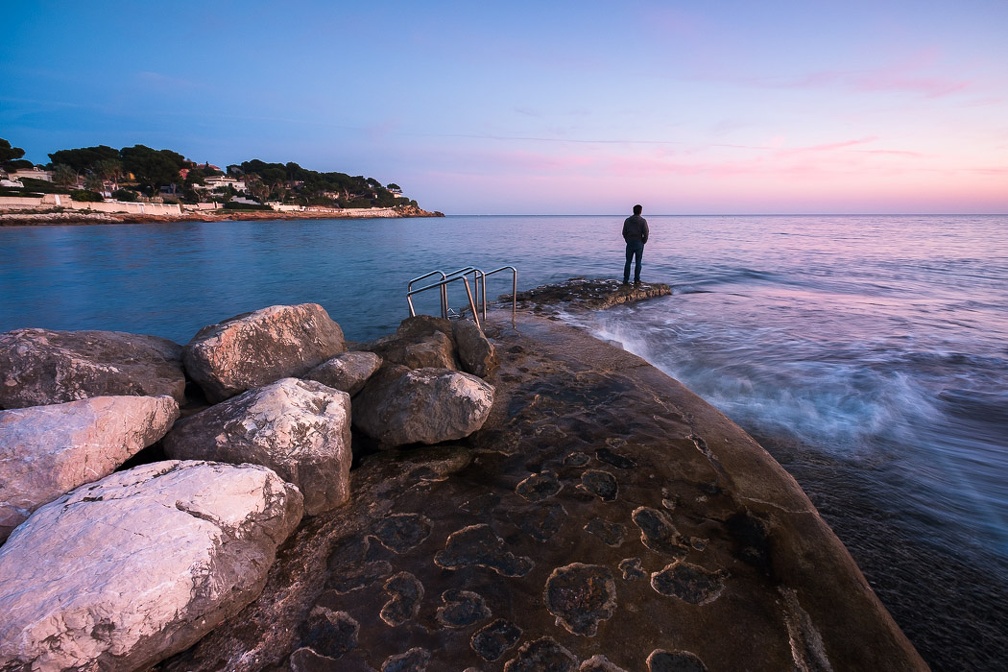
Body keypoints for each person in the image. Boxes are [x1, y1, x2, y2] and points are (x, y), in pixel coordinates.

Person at [622, 204, 649, 285]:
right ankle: (636, 279)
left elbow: (624, 232)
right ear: (640, 211)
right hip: (639, 242)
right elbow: (646, 233)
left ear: (633, 211)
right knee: (638, 262)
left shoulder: (627, 220)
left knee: (628, 262)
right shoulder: (643, 221)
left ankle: (626, 280)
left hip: (630, 242)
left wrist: (627, 240)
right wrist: (644, 241)